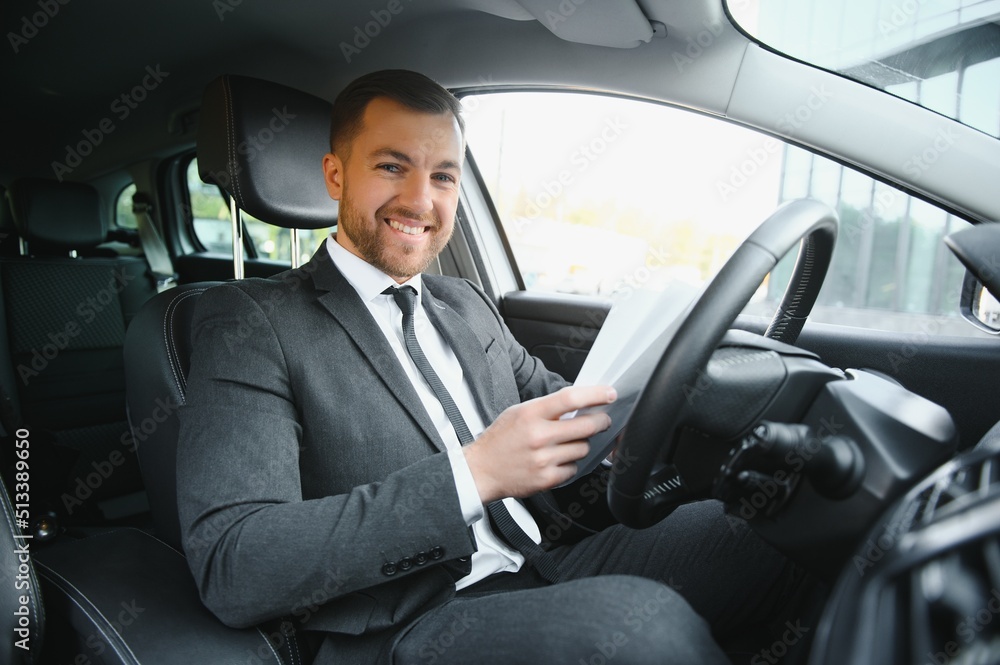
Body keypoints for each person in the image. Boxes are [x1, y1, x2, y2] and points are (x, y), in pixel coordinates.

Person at [178, 69, 799, 665]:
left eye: (443, 176)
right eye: (392, 166)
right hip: (410, 625)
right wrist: (473, 474)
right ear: (336, 175)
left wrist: (623, 426)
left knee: (781, 518)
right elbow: (234, 563)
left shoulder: (465, 303)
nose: (421, 200)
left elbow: (559, 406)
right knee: (640, 626)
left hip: (547, 560)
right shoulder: (248, 321)